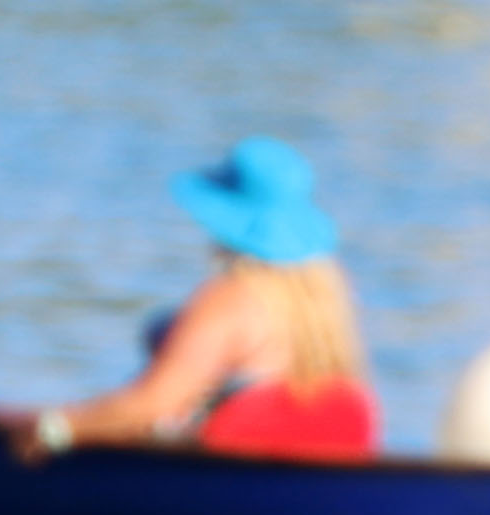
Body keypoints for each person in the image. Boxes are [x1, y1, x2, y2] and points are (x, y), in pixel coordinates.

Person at [19, 139, 381, 460]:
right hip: (330, 463)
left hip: (235, 473)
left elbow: (154, 402)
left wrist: (57, 427)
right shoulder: (327, 293)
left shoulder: (232, 297)